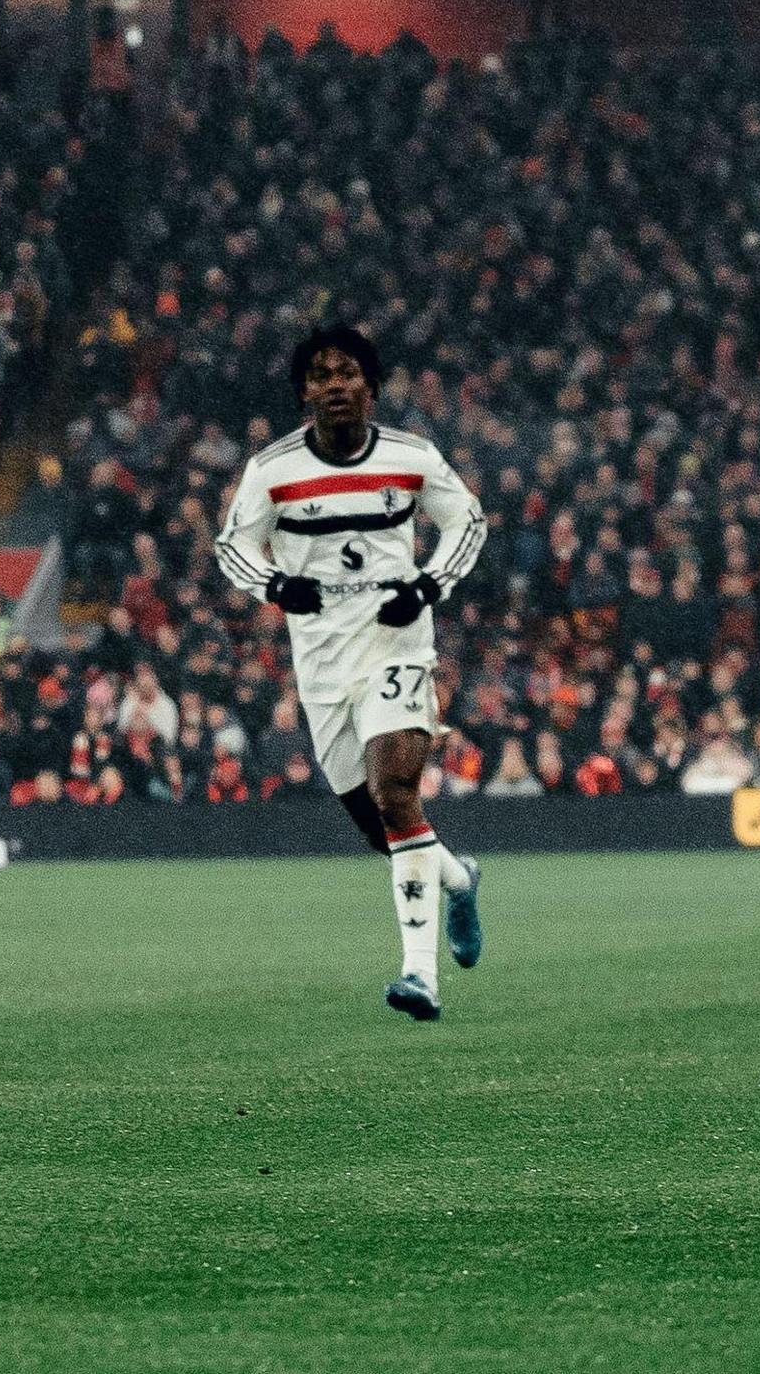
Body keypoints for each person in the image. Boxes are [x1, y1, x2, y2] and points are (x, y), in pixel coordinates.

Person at [216, 326, 489, 1022]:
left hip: (397, 649)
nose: (333, 384)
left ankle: (418, 976)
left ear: (370, 385)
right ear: (303, 392)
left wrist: (429, 585)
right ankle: (458, 879)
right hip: (323, 669)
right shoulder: (272, 470)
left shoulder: (411, 457)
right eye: (319, 374)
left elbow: (468, 521)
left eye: (346, 372)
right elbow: (233, 548)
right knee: (381, 827)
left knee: (395, 792)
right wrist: (275, 587)